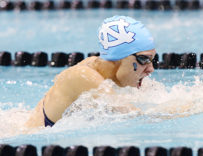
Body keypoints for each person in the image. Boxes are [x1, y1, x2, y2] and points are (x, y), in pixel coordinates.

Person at [25, 16, 156, 128]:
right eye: (143, 59)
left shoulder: (99, 67)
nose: (151, 69)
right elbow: (135, 117)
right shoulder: (82, 76)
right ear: (119, 57)